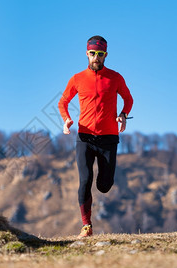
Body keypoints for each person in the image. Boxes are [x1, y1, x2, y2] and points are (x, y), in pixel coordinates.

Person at [58, 35, 133, 238]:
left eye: (100, 54)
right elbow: (62, 102)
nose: (96, 58)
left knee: (104, 185)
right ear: (87, 54)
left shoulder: (115, 78)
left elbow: (128, 98)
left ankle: (104, 182)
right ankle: (86, 226)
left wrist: (123, 114)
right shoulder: (77, 79)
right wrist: (66, 119)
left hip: (109, 137)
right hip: (85, 137)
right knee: (85, 180)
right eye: (93, 53)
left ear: (106, 55)